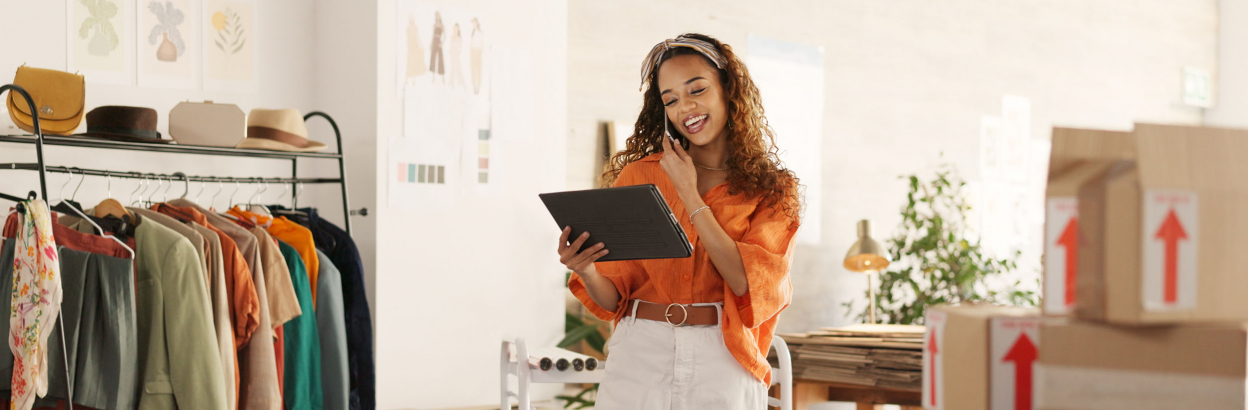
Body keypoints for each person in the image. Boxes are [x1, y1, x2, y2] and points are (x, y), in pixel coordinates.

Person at [560, 33, 802, 409]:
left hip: (722, 354)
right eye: (670, 99)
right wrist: (589, 271)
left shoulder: (773, 189)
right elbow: (614, 298)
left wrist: (689, 195)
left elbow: (746, 282)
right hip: (640, 351)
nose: (685, 107)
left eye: (697, 90)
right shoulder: (640, 177)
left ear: (729, 89)